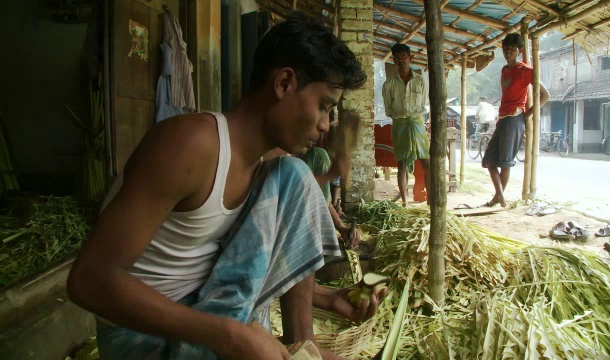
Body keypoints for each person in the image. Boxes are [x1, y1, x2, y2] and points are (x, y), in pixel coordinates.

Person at [67, 13, 384, 360]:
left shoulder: (268, 167)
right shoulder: (191, 145)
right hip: (147, 339)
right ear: (284, 83)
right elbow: (88, 281)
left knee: (296, 178)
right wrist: (228, 336)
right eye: (323, 106)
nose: (325, 125)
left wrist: (326, 297)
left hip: (212, 319)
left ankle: (301, 346)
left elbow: (228, 269)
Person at [481, 33, 549, 207]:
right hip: (503, 119)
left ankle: (499, 199)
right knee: (489, 160)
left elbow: (545, 95)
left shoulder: (525, 70)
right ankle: (500, 197)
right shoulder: (505, 70)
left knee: (504, 162)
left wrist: (527, 115)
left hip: (514, 119)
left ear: (519, 50)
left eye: (512, 49)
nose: (508, 51)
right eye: (506, 48)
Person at [382, 43, 431, 206]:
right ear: (394, 60)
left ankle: (431, 200)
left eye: (404, 57)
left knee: (426, 161)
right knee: (401, 163)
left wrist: (413, 116)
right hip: (400, 125)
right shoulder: (389, 84)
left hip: (417, 122)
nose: (401, 60)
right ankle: (404, 202)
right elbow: (389, 109)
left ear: (410, 58)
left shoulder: (420, 80)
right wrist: (401, 116)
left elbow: (423, 104)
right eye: (397, 58)